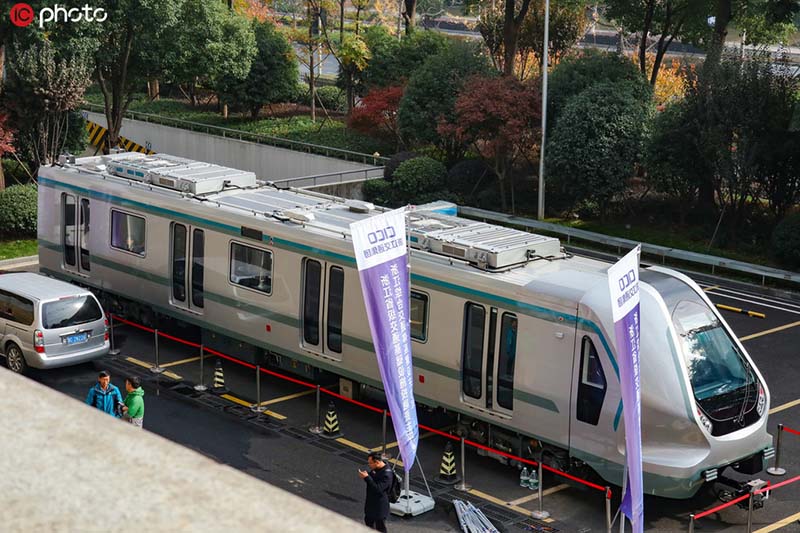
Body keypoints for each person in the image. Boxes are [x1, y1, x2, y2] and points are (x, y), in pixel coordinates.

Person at [358, 452, 393, 532]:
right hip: (371, 503)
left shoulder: (386, 474)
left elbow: (378, 489)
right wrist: (366, 476)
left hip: (379, 507)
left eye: (370, 463)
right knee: (368, 522)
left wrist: (367, 477)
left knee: (380, 527)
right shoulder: (376, 469)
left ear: (377, 462)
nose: (369, 465)